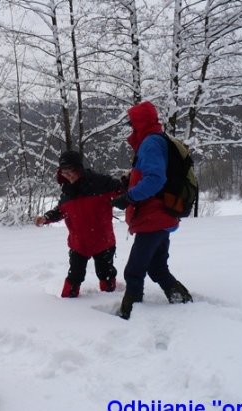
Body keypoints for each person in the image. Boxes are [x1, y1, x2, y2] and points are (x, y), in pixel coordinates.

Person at [112, 101, 193, 320]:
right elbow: (151, 174)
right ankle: (182, 300)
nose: (130, 127)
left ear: (140, 122)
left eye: (132, 123)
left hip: (153, 217)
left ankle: (130, 312)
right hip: (162, 215)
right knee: (157, 267)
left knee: (134, 270)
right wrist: (130, 180)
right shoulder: (156, 139)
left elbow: (156, 179)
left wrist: (129, 197)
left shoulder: (150, 143)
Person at [34, 150, 126, 297]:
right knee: (74, 276)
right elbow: (61, 211)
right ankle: (67, 302)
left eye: (71, 170)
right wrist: (46, 218)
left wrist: (128, 187)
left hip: (103, 240)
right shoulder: (67, 192)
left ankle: (109, 300)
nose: (68, 175)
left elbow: (122, 189)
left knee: (106, 273)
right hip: (79, 243)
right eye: (64, 171)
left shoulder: (100, 183)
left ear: (79, 169)